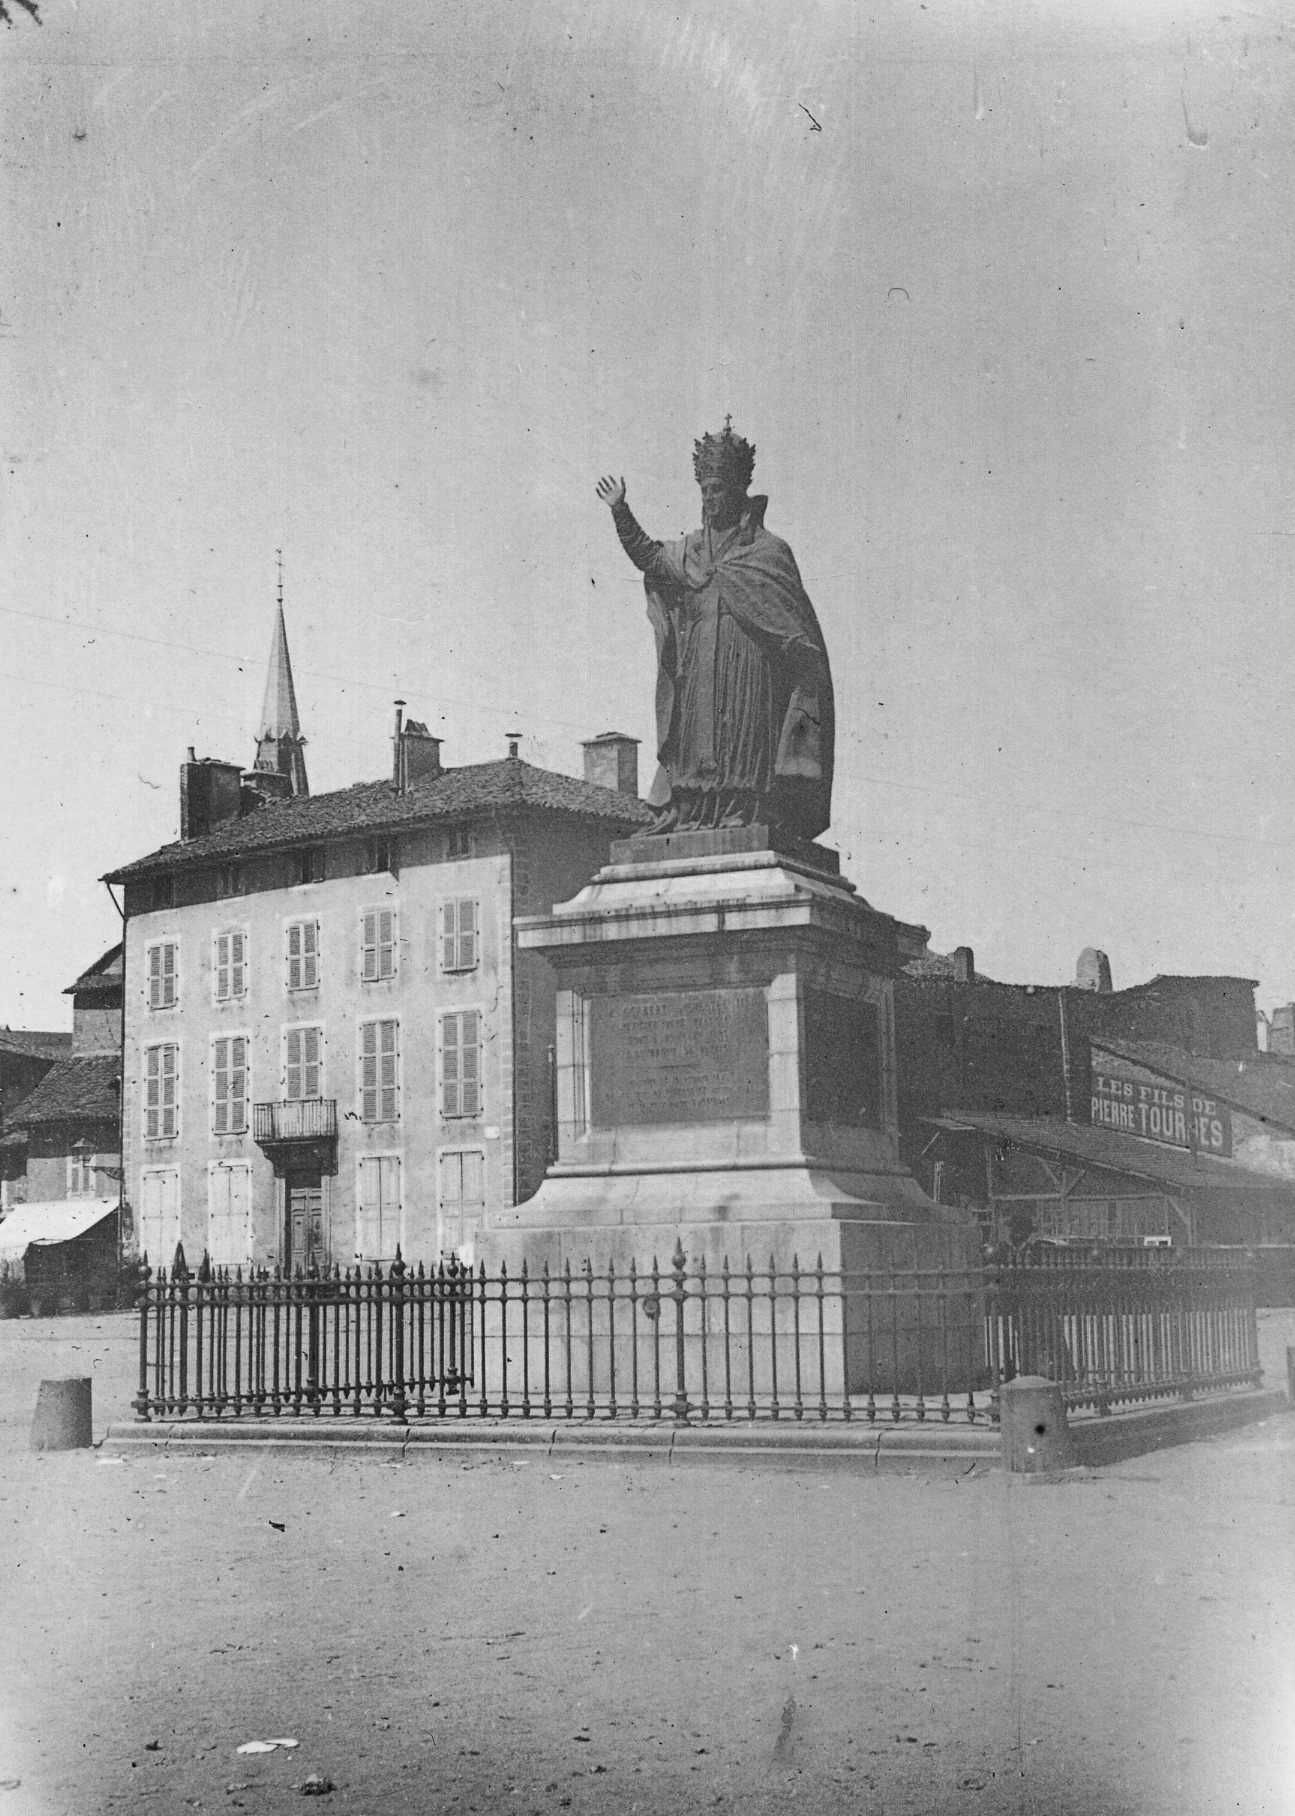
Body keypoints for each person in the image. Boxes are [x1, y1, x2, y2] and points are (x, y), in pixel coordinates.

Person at [596, 418, 834, 840]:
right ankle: (694, 811)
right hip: (699, 665)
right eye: (704, 490)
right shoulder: (690, 549)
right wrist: (621, 511)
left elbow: (791, 623)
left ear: (740, 489)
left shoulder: (769, 551)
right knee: (694, 745)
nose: (709, 498)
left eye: (718, 488)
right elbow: (650, 558)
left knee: (743, 745)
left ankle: (745, 810)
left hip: (748, 668)